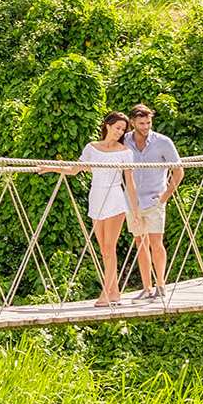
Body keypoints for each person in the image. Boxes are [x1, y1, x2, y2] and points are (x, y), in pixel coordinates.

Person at [76, 110, 139, 307]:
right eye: (117, 127)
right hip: (96, 197)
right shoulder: (91, 148)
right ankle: (115, 293)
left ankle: (105, 293)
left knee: (110, 248)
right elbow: (75, 169)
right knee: (103, 249)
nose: (120, 132)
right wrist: (50, 168)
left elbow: (130, 182)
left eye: (123, 129)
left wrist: (135, 212)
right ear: (107, 126)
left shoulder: (125, 153)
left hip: (114, 199)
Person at [125, 103, 183, 300]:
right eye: (141, 123)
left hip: (154, 201)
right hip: (132, 202)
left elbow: (178, 171)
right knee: (140, 243)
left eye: (148, 122)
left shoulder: (163, 142)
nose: (145, 126)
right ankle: (147, 287)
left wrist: (164, 197)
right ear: (132, 122)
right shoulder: (124, 141)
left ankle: (161, 284)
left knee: (156, 243)